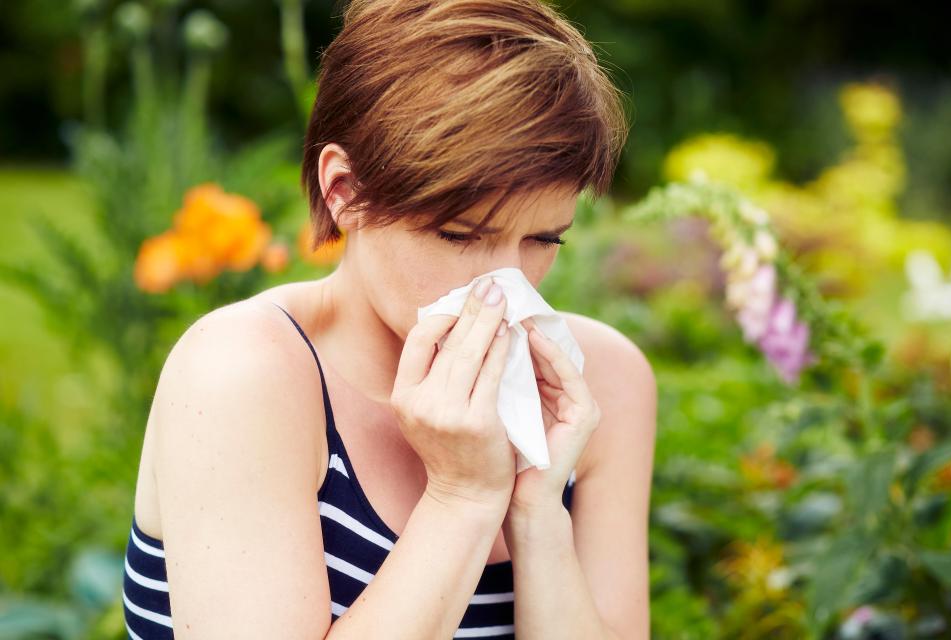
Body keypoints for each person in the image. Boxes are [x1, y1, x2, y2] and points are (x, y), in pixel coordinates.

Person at [122, 0, 656, 638]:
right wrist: (462, 496)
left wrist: (537, 509)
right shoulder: (246, 373)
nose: (504, 285)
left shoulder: (602, 383)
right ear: (343, 190)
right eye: (459, 235)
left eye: (544, 239)